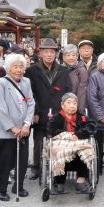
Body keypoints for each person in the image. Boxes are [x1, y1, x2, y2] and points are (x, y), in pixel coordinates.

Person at [25, 38, 71, 180]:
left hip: (58, 110)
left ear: (56, 53)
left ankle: (58, 167)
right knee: (39, 140)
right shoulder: (32, 70)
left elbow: (68, 90)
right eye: (46, 52)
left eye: (52, 52)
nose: (49, 54)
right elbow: (30, 93)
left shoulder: (63, 70)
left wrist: (66, 109)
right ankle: (37, 167)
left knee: (58, 139)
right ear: (40, 53)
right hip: (40, 110)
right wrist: (36, 111)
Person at [0, 54, 35, 201]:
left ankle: (19, 185)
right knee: (4, 159)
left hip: (23, 129)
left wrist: (27, 124)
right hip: (6, 130)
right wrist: (11, 127)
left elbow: (30, 103)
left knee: (22, 159)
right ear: (8, 68)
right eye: (15, 67)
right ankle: (0, 189)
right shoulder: (1, 83)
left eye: (21, 66)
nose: (18, 70)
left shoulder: (26, 82)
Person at [48, 92, 96, 194]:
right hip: (62, 146)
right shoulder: (57, 117)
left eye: (74, 103)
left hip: (77, 147)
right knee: (59, 152)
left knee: (84, 149)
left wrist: (78, 135)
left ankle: (81, 181)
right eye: (69, 103)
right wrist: (67, 136)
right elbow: (50, 131)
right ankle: (59, 182)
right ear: (62, 105)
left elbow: (91, 127)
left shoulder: (81, 117)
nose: (72, 106)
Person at [0, 45, 26, 119]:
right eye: (18, 54)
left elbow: (27, 97)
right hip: (4, 115)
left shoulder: (22, 72)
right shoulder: (0, 71)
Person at [61, 44, 88, 114]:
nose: (71, 58)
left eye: (73, 55)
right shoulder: (59, 69)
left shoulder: (81, 70)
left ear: (77, 56)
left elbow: (82, 92)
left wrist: (79, 109)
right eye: (68, 55)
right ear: (63, 57)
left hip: (75, 106)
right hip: (62, 106)